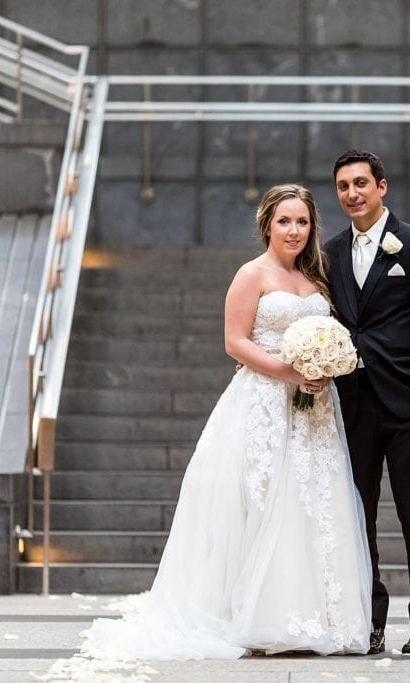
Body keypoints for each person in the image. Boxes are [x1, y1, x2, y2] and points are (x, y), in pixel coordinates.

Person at [84, 184, 372, 660]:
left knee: (312, 502)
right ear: (267, 224)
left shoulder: (318, 277)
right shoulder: (251, 274)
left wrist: (323, 371)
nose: (294, 230)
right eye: (285, 221)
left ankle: (317, 618)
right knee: (262, 502)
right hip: (262, 403)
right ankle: (254, 617)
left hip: (314, 411)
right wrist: (289, 371)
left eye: (302, 222)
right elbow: (235, 342)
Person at [324, 150, 410, 655]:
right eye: (342, 186)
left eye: (361, 183)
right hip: (352, 405)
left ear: (382, 187)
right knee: (357, 517)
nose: (352, 193)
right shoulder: (330, 252)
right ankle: (369, 620)